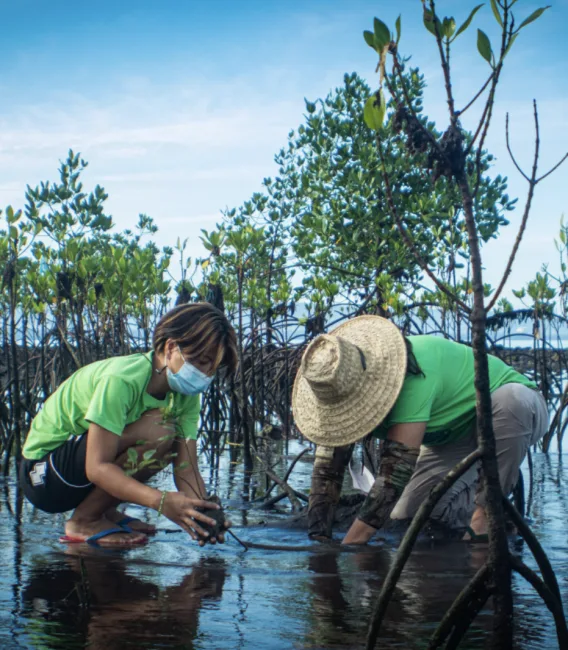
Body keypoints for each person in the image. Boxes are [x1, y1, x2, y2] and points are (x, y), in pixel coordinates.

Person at [292, 315, 548, 544]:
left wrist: (350, 546)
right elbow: (327, 471)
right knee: (410, 515)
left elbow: (396, 472)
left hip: (513, 412)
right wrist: (319, 539)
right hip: (451, 434)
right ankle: (488, 506)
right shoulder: (335, 387)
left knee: (510, 400)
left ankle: (486, 513)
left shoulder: (408, 375)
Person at [19, 302, 238, 547]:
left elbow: (186, 468)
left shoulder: (186, 396)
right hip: (42, 477)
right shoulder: (122, 380)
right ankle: (84, 520)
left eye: (213, 368)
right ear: (171, 347)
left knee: (171, 439)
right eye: (201, 361)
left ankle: (104, 512)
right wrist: (162, 502)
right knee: (160, 428)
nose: (206, 374)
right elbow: (96, 467)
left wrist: (205, 517)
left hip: (75, 473)